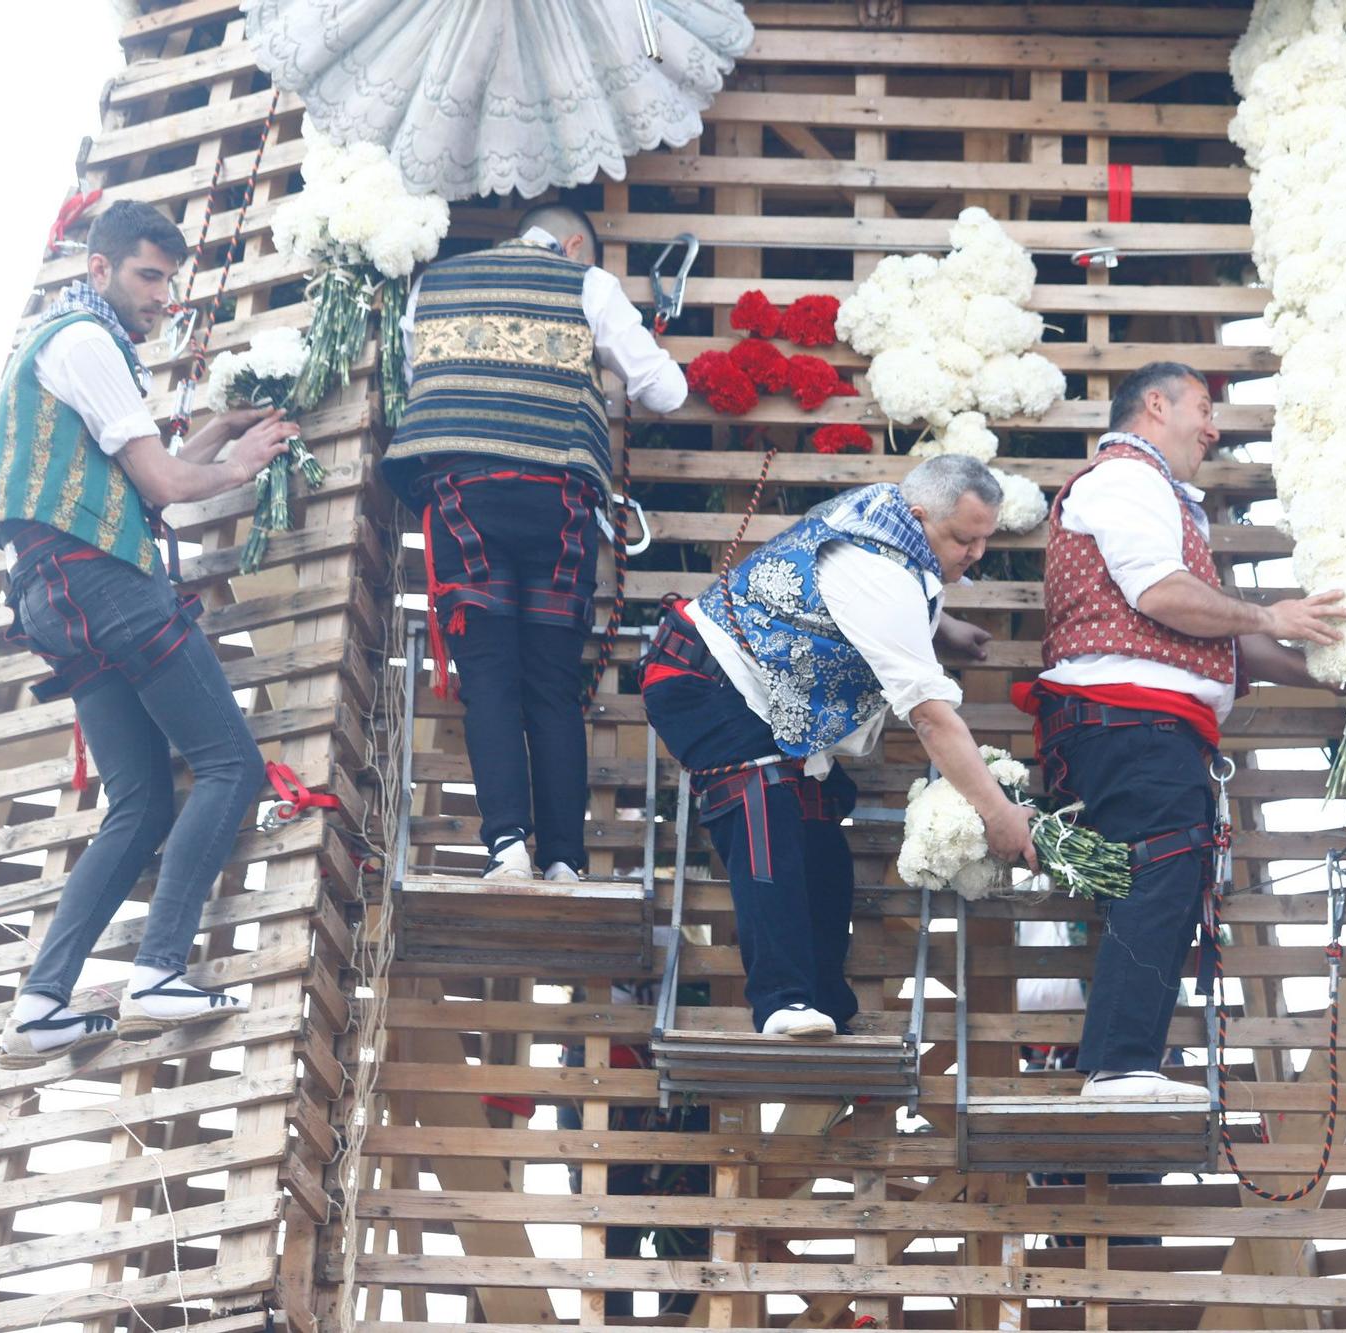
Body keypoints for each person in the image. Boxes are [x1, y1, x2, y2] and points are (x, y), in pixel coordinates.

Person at [0, 200, 299, 1068]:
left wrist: (213, 431)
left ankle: (41, 1001)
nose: (164, 296)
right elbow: (163, 484)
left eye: (169, 278)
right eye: (148, 276)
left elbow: (130, 475)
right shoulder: (87, 342)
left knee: (143, 800)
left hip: (53, 598)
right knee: (232, 764)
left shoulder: (55, 347)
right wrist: (239, 463)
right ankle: (160, 972)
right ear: (99, 269)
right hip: (105, 582)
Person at [1013, 361, 1346, 1102]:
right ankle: (1118, 1064)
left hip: (1133, 724)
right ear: (1154, 404)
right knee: (1166, 863)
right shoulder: (1127, 479)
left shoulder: (1154, 492)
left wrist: (1324, 669)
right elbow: (1162, 593)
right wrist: (1269, 613)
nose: (1213, 426)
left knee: (1164, 868)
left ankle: (1121, 1061)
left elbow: (1215, 633)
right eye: (1202, 407)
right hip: (1129, 721)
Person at [640, 455, 1030, 1037]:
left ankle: (823, 995)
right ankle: (782, 1003)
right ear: (920, 516)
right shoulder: (875, 573)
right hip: (703, 677)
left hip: (766, 689)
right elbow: (930, 716)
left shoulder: (892, 520)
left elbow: (882, 594)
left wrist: (942, 628)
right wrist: (997, 813)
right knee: (764, 808)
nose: (975, 555)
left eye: (983, 540)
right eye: (962, 540)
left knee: (820, 828)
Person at [383, 204, 688, 881]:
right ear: (574, 243)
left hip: (463, 496)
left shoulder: (432, 287)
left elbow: (419, 387)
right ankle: (563, 860)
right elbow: (664, 391)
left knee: (488, 678)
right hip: (557, 501)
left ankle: (507, 849)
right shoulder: (587, 283)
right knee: (552, 685)